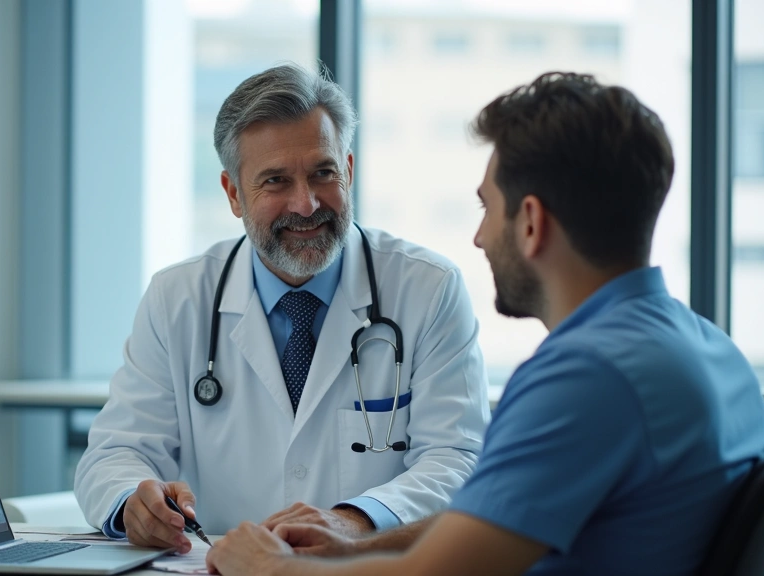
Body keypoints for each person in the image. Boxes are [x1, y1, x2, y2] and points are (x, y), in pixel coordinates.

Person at [204, 72, 764, 576]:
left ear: (529, 222)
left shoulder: (585, 380)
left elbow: (435, 572)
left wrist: (271, 567)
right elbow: (492, 523)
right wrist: (345, 548)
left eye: (487, 208)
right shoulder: (712, 352)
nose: (478, 238)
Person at [73, 63, 490, 555]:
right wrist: (132, 501)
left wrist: (354, 520)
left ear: (349, 171)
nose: (307, 203)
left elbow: (457, 459)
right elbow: (117, 451)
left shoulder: (428, 289)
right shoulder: (177, 298)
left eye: (323, 172)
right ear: (233, 193)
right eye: (275, 181)